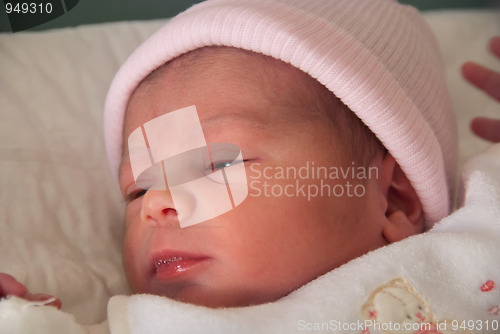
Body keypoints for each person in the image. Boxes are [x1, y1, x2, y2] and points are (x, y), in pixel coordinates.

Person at [1, 0, 499, 312]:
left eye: (217, 165)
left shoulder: (473, 244)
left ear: (392, 198)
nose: (155, 205)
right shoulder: (143, 323)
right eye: (138, 189)